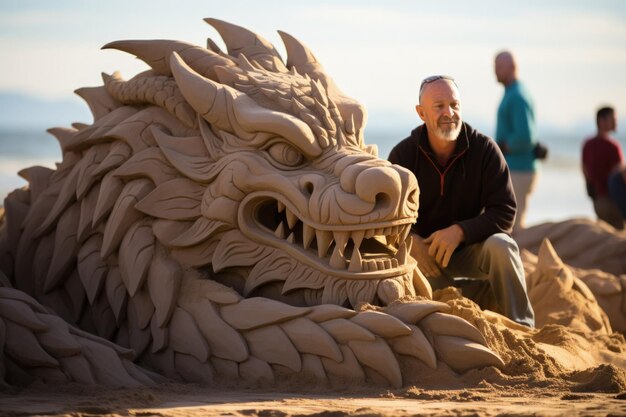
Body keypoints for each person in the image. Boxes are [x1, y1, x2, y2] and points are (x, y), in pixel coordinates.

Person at [388, 75, 535, 328]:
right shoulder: (403, 155)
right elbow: (387, 215)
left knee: (502, 245)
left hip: (471, 250)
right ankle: (482, 297)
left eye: (454, 105)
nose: (449, 113)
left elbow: (505, 211)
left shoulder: (485, 150)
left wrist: (461, 231)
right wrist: (410, 240)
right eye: (439, 106)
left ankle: (522, 326)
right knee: (402, 270)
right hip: (425, 259)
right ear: (421, 113)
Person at [494, 51, 538, 233]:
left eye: (499, 67)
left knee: (513, 225)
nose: (495, 71)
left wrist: (502, 146)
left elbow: (526, 136)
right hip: (515, 168)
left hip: (520, 169)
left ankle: (520, 260)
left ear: (513, 67)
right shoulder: (511, 93)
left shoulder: (518, 96)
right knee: (509, 223)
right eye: (494, 67)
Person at [582, 106, 625, 230]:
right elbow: (621, 174)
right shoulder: (612, 146)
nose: (616, 122)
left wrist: (592, 191)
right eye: (613, 119)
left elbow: (585, 170)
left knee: (603, 236)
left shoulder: (587, 144)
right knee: (618, 240)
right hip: (613, 202)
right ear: (602, 121)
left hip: (597, 201)